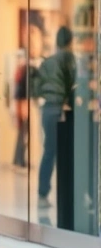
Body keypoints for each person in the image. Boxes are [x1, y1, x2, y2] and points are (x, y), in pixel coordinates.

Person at [35, 26, 76, 208]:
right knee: (67, 153)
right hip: (63, 109)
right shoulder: (70, 60)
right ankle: (69, 194)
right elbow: (74, 85)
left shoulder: (47, 62)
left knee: (49, 151)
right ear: (70, 40)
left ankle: (43, 194)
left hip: (48, 110)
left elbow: (36, 87)